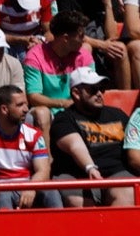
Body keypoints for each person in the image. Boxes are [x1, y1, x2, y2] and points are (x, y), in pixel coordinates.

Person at [50, 66, 134, 206]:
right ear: (76, 93)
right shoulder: (64, 118)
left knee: (128, 194)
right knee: (78, 202)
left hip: (117, 172)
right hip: (77, 175)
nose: (100, 94)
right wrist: (90, 167)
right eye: (93, 89)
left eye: (101, 89)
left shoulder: (117, 114)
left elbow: (135, 142)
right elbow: (74, 145)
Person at [55, 0, 134, 89]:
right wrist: (102, 45)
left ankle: (125, 97)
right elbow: (68, 32)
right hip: (78, 43)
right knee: (86, 49)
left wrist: (108, 4)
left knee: (120, 49)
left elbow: (113, 36)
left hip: (104, 43)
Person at [0, 85, 54, 209]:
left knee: (52, 193)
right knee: (2, 196)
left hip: (27, 185)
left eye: (26, 104)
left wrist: (31, 187)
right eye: (20, 105)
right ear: (4, 109)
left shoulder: (34, 134)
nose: (26, 109)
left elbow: (44, 170)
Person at [23, 8, 94, 134]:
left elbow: (92, 88)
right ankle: (46, 154)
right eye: (81, 36)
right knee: (41, 113)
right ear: (65, 38)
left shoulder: (83, 55)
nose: (84, 40)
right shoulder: (35, 57)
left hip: (77, 111)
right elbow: (34, 97)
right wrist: (63, 103)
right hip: (50, 112)